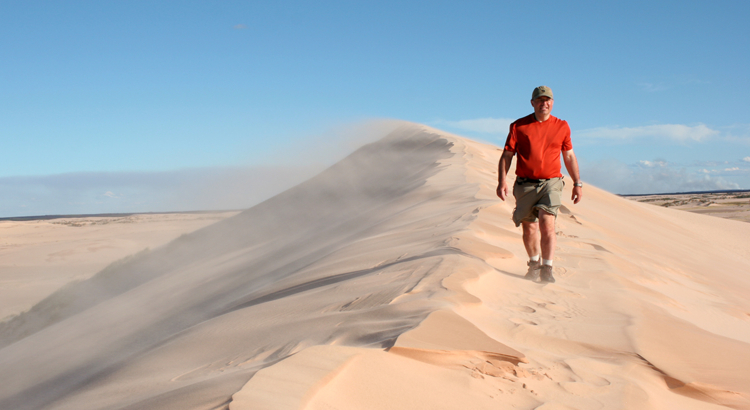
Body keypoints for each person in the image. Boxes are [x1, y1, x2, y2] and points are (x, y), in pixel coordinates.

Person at [496, 86, 582, 283]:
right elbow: (507, 155)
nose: (545, 103)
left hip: (551, 183)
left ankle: (547, 268)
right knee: (529, 228)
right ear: (532, 103)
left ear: (553, 103)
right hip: (525, 184)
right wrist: (502, 180)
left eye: (548, 100)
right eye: (540, 100)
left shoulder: (562, 126)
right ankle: (534, 263)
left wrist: (578, 183)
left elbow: (568, 155)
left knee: (547, 223)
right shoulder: (518, 126)